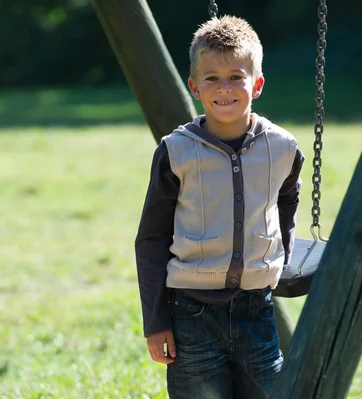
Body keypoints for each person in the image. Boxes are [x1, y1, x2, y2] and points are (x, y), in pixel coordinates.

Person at [135, 15, 304, 399]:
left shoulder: (282, 148)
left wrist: (284, 253)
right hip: (191, 315)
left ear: (256, 84)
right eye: (211, 77)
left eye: (236, 77)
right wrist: (156, 320)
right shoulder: (176, 152)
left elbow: (287, 198)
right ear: (194, 86)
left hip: (257, 311)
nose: (224, 88)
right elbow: (152, 238)